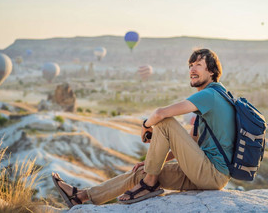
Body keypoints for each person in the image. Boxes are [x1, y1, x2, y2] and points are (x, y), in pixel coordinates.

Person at [52, 48, 235, 207]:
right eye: (190, 66)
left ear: (211, 71)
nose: (192, 69)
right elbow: (192, 143)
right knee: (143, 171)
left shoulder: (210, 94)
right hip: (204, 173)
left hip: (212, 174)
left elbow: (161, 113)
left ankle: (149, 184)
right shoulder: (211, 99)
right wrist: (154, 163)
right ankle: (81, 196)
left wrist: (145, 125)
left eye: (198, 65)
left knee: (165, 122)